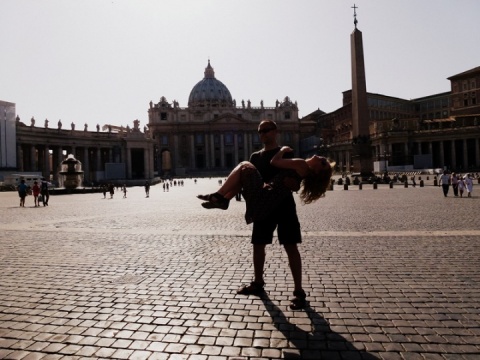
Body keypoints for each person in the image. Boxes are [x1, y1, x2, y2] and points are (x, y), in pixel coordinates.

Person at [200, 120, 333, 310]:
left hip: (283, 205)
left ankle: (299, 291)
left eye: (267, 130)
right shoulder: (256, 156)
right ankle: (258, 282)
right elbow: (246, 181)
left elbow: (294, 177)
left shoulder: (288, 153)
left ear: (275, 132)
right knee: (258, 245)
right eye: (260, 131)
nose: (263, 134)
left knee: (290, 246)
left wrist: (294, 184)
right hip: (263, 202)